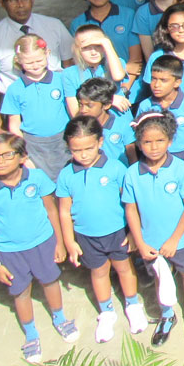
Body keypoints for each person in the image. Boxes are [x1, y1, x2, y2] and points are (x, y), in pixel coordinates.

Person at [0, 133, 79, 363]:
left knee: (50, 281)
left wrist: (59, 243)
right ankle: (30, 333)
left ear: (22, 157)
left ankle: (60, 318)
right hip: (9, 252)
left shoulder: (37, 178)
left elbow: (51, 210)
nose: (0, 161)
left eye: (7, 155)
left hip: (43, 243)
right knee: (20, 292)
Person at [56, 117, 143, 343]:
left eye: (89, 148)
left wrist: (133, 232)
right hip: (86, 236)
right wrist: (69, 241)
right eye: (76, 150)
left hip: (118, 232)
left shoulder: (116, 168)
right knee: (99, 272)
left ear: (100, 142)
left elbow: (130, 203)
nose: (83, 155)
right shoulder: (66, 175)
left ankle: (132, 305)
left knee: (125, 268)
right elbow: (64, 211)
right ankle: (106, 312)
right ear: (68, 148)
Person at [121, 111, 184, 346]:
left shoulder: (181, 169)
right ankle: (167, 314)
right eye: (147, 142)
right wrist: (140, 241)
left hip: (182, 239)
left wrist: (175, 239)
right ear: (138, 143)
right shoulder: (132, 174)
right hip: (151, 241)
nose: (154, 147)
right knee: (160, 276)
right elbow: (131, 210)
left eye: (160, 140)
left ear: (170, 141)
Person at [0, 0, 74, 135]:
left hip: (58, 102)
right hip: (19, 110)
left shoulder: (54, 26)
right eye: (12, 0)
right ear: (1, 2)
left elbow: (69, 64)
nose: (20, 5)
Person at [1, 35, 70, 181]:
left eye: (39, 60)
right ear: (18, 60)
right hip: (33, 145)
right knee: (42, 182)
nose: (35, 65)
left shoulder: (62, 79)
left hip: (63, 139)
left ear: (47, 53)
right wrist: (23, 154)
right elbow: (14, 125)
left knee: (67, 179)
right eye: (29, 62)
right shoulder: (14, 89)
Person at [135, 55, 184, 164]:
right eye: (153, 79)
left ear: (177, 82)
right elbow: (140, 137)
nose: (156, 85)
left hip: (183, 157)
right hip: (153, 159)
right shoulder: (145, 106)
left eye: (163, 80)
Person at [62, 25, 128, 116]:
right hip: (90, 122)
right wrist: (109, 100)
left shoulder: (115, 62)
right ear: (77, 49)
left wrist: (106, 43)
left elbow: (118, 76)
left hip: (118, 118)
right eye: (86, 47)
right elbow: (75, 113)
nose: (93, 52)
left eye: (98, 46)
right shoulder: (69, 73)